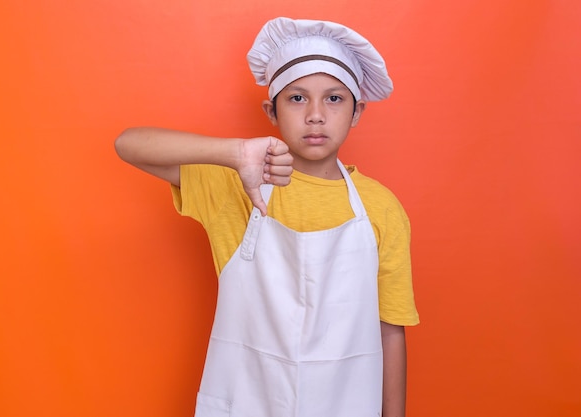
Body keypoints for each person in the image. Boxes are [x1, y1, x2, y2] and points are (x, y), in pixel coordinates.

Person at [115, 16, 419, 417]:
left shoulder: (381, 208)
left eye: (334, 98)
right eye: (296, 98)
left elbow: (389, 329)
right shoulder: (235, 188)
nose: (315, 114)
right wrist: (234, 154)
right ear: (271, 111)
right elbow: (129, 145)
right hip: (246, 401)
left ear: (357, 111)